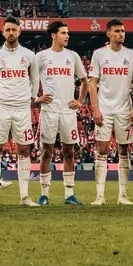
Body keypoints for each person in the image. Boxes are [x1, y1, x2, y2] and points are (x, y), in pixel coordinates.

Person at [0, 16, 38, 207]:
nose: (11, 33)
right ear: (3, 32)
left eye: (14, 29)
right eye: (8, 30)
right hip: (0, 106)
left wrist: (32, 98)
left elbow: (35, 79)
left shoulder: (29, 55)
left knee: (24, 150)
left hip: (21, 107)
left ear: (19, 31)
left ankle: (24, 197)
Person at [86, 18, 133, 206]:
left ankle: (123, 195)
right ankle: (99, 195)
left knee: (124, 149)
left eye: (123, 31)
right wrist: (95, 109)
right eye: (117, 31)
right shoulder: (99, 54)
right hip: (104, 109)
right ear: (108, 33)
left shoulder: (131, 55)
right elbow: (92, 83)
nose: (121, 34)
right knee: (102, 149)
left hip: (124, 110)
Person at [32, 20, 87, 206]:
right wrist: (37, 98)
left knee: (69, 152)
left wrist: (80, 101)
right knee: (46, 152)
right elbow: (30, 79)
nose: (67, 36)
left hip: (68, 111)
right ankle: (44, 194)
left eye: (67, 33)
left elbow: (85, 81)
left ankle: (69, 194)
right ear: (53, 35)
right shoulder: (41, 57)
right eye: (63, 33)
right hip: (49, 111)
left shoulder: (72, 56)